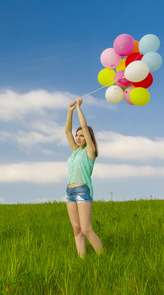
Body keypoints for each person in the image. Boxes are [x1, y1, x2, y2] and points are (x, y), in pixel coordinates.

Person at [64, 97, 103, 257]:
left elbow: (85, 126)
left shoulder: (90, 152)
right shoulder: (75, 151)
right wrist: (70, 111)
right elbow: (67, 131)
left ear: (88, 138)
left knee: (87, 229)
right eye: (77, 135)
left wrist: (79, 107)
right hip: (70, 191)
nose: (78, 138)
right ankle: (82, 261)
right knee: (76, 229)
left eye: (81, 135)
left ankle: (103, 258)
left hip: (83, 191)